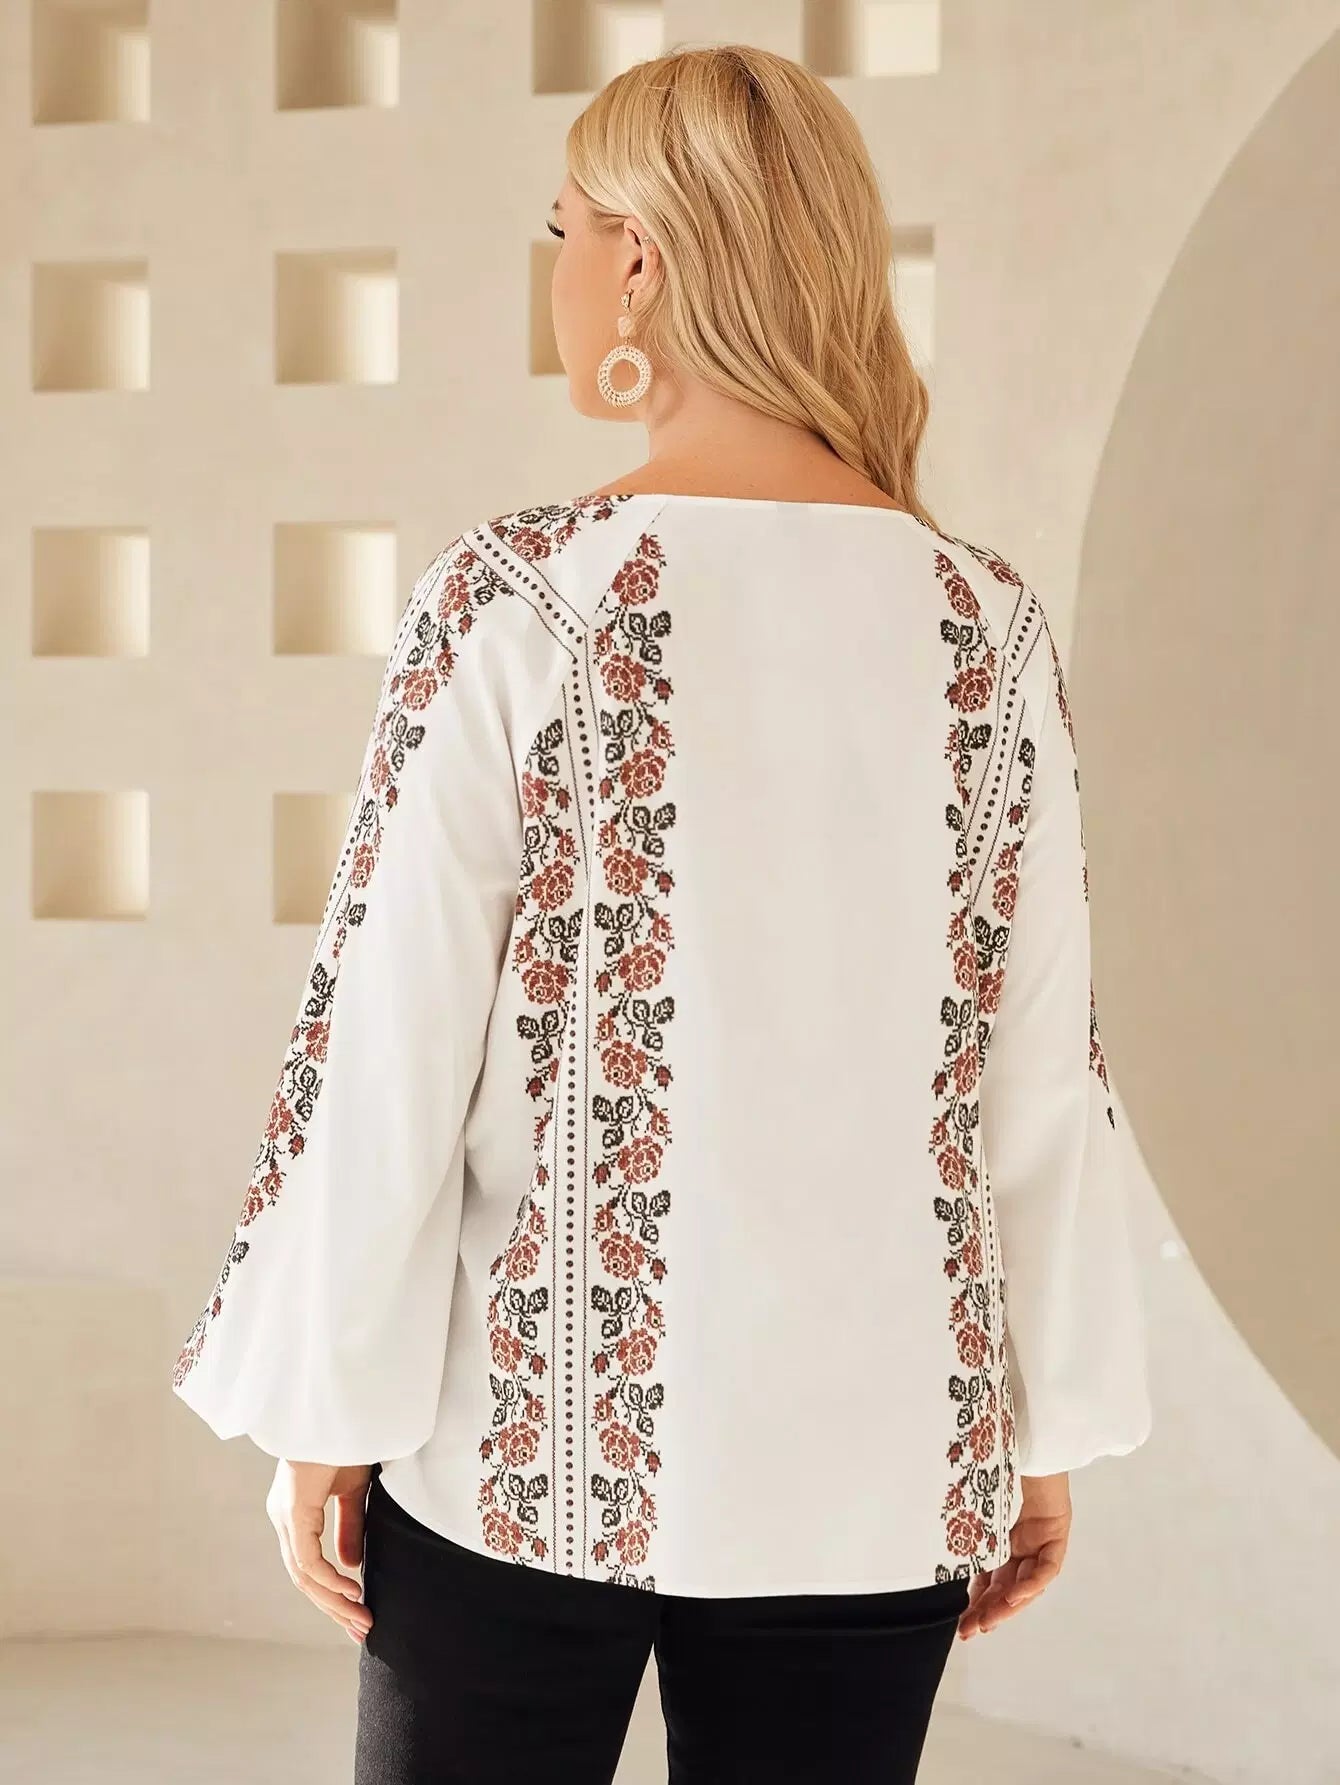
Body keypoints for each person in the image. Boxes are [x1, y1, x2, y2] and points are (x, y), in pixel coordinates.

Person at [170, 41, 1153, 1785]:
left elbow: (391, 1038)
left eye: (561, 230)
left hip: (523, 1458)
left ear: (638, 259)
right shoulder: (991, 629)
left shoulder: (518, 599)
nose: (553, 272)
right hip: (877, 1472)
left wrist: (328, 1402)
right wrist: (1040, 1421)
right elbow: (1037, 1077)